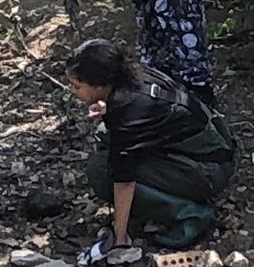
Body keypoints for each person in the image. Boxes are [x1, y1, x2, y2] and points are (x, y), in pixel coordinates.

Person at [67, 38, 235, 252]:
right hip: (215, 144)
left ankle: (189, 214)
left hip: (210, 169)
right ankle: (167, 196)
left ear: (99, 85)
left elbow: (123, 180)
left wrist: (119, 236)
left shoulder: (130, 111)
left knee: (101, 170)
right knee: (105, 135)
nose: (73, 91)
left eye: (77, 86)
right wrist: (108, 109)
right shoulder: (133, 76)